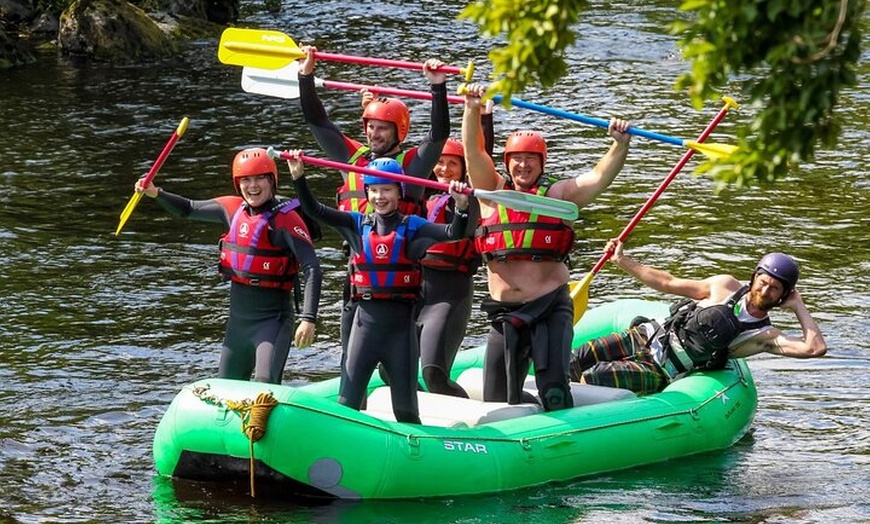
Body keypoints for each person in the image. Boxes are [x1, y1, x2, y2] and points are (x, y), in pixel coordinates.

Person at [460, 82, 632, 411]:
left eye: (530, 160)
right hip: (504, 314)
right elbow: (473, 152)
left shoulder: (558, 198)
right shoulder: (490, 192)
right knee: (497, 399)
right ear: (507, 163)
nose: (523, 166)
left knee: (553, 388)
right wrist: (471, 108)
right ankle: (526, 421)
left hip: (550, 307)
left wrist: (619, 145)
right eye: (516, 160)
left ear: (541, 164)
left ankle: (564, 436)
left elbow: (598, 177)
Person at [286, 153, 471, 423]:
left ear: (399, 192)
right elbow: (315, 210)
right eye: (373, 190)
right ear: (367, 193)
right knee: (347, 404)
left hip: (401, 332)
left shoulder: (414, 228)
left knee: (406, 411)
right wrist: (298, 176)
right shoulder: (355, 224)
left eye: (386, 189)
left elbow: (452, 233)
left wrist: (462, 207)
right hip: (364, 328)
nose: (379, 197)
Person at [298, 47, 451, 361]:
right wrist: (306, 75)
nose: (373, 133)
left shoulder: (411, 166)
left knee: (395, 363)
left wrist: (437, 86)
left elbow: (438, 135)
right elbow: (317, 120)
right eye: (369, 126)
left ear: (399, 131)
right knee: (349, 357)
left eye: (382, 128)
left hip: (402, 280)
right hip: (357, 276)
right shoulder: (352, 159)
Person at [134, 148, 323, 384]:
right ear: (237, 183)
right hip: (238, 325)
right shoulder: (232, 209)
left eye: (259, 178)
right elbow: (189, 209)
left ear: (272, 180)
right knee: (226, 388)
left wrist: (308, 319)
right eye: (246, 179)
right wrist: (155, 193)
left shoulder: (286, 219)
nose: (252, 186)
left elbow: (312, 267)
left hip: (272, 322)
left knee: (264, 386)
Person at [360, 91, 495, 398]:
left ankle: (469, 431)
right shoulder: (419, 196)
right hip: (416, 292)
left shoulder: (471, 199)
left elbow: (480, 157)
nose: (444, 170)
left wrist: (482, 117)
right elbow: (386, 160)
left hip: (450, 296)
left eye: (452, 164)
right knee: (387, 369)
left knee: (433, 373)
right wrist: (370, 106)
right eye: (441, 163)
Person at [569, 241, 827, 395]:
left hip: (661, 369)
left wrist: (799, 306)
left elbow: (815, 348)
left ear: (784, 295)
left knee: (594, 377)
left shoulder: (764, 336)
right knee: (575, 359)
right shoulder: (724, 285)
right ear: (754, 277)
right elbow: (668, 282)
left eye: (775, 289)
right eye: (763, 282)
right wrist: (623, 261)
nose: (765, 290)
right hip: (644, 336)